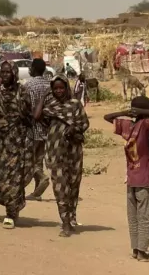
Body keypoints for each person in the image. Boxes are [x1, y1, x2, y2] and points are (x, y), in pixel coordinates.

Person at [104, 96, 149, 262]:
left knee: (133, 217)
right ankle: (143, 252)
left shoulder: (129, 126)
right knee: (145, 216)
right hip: (146, 178)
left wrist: (126, 113)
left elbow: (107, 117)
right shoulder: (147, 125)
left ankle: (135, 249)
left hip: (131, 178)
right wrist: (142, 112)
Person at [33, 74, 89, 237]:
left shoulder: (75, 104)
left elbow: (84, 123)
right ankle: (64, 222)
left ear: (66, 88)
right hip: (55, 150)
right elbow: (36, 116)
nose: (58, 91)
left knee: (73, 184)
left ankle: (71, 217)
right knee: (59, 185)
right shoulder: (50, 106)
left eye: (61, 88)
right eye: (55, 88)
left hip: (73, 151)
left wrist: (74, 129)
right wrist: (44, 96)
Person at [0, 61, 34, 229]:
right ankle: (9, 206)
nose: (5, 75)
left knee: (14, 177)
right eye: (3, 72)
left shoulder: (23, 92)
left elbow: (29, 117)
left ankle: (11, 213)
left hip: (17, 142)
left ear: (14, 73)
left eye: (8, 72)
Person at [25, 58, 51, 201]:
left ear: (33, 69)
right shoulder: (50, 85)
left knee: (30, 159)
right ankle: (37, 192)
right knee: (39, 158)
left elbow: (26, 107)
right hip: (46, 128)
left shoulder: (28, 85)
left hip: (32, 127)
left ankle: (41, 177)